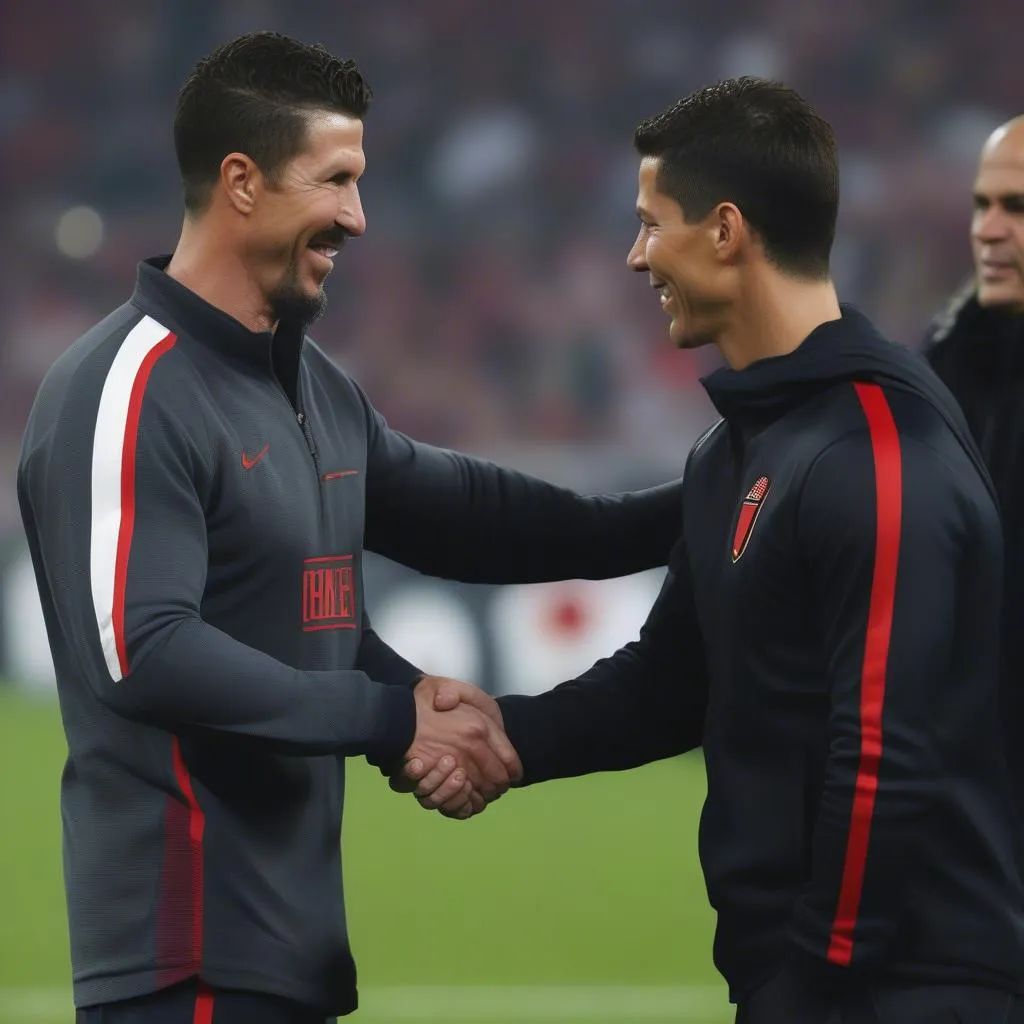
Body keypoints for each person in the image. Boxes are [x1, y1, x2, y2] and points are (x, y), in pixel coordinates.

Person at [16, 32, 687, 1024]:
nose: (357, 216)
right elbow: (147, 649)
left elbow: (472, 522)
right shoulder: (128, 386)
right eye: (334, 180)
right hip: (185, 962)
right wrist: (391, 717)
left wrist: (692, 507)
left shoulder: (312, 386)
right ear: (241, 181)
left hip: (290, 959)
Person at [405, 78, 1024, 1023]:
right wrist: (511, 740)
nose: (634, 255)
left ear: (726, 231)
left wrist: (816, 980)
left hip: (904, 989)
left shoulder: (881, 454)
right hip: (816, 982)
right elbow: (673, 680)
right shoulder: (742, 445)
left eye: (652, 224)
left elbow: (885, 757)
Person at [923, 115, 1024, 834]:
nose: (987, 230)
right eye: (981, 205)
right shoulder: (949, 360)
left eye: (1016, 208)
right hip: (978, 795)